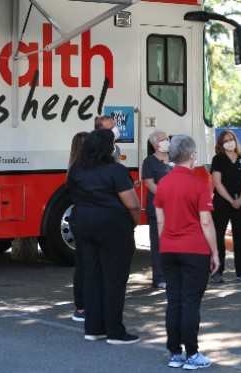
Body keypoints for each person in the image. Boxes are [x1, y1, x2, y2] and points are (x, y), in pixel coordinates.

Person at [67, 129, 141, 344]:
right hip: (112, 226)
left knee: (92, 276)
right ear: (107, 148)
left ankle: (93, 328)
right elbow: (132, 204)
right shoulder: (116, 170)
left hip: (83, 223)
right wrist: (131, 224)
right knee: (114, 278)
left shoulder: (77, 170)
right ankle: (115, 332)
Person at [154, 135, 220, 369]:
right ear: (191, 155)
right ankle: (192, 354)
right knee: (191, 302)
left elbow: (160, 222)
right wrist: (215, 253)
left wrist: (165, 245)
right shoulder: (199, 184)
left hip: (169, 249)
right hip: (194, 250)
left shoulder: (163, 183)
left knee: (174, 300)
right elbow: (206, 223)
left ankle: (175, 353)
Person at [210, 130, 241, 283]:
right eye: (226, 140)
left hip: (240, 203)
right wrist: (230, 199)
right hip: (222, 202)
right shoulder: (218, 159)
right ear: (221, 144)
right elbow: (217, 182)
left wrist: (240, 199)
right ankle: (216, 271)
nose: (229, 142)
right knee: (219, 236)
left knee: (240, 237)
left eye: (231, 139)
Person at [142, 129, 172, 289]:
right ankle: (159, 278)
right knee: (158, 244)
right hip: (157, 209)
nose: (166, 141)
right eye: (162, 139)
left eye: (167, 138)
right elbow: (149, 183)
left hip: (175, 209)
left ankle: (172, 275)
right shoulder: (149, 161)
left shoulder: (174, 160)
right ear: (154, 144)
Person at [67, 131, 90, 322]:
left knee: (82, 265)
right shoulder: (85, 170)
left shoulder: (73, 168)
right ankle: (83, 307)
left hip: (77, 219)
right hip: (86, 220)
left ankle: (80, 307)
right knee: (88, 265)